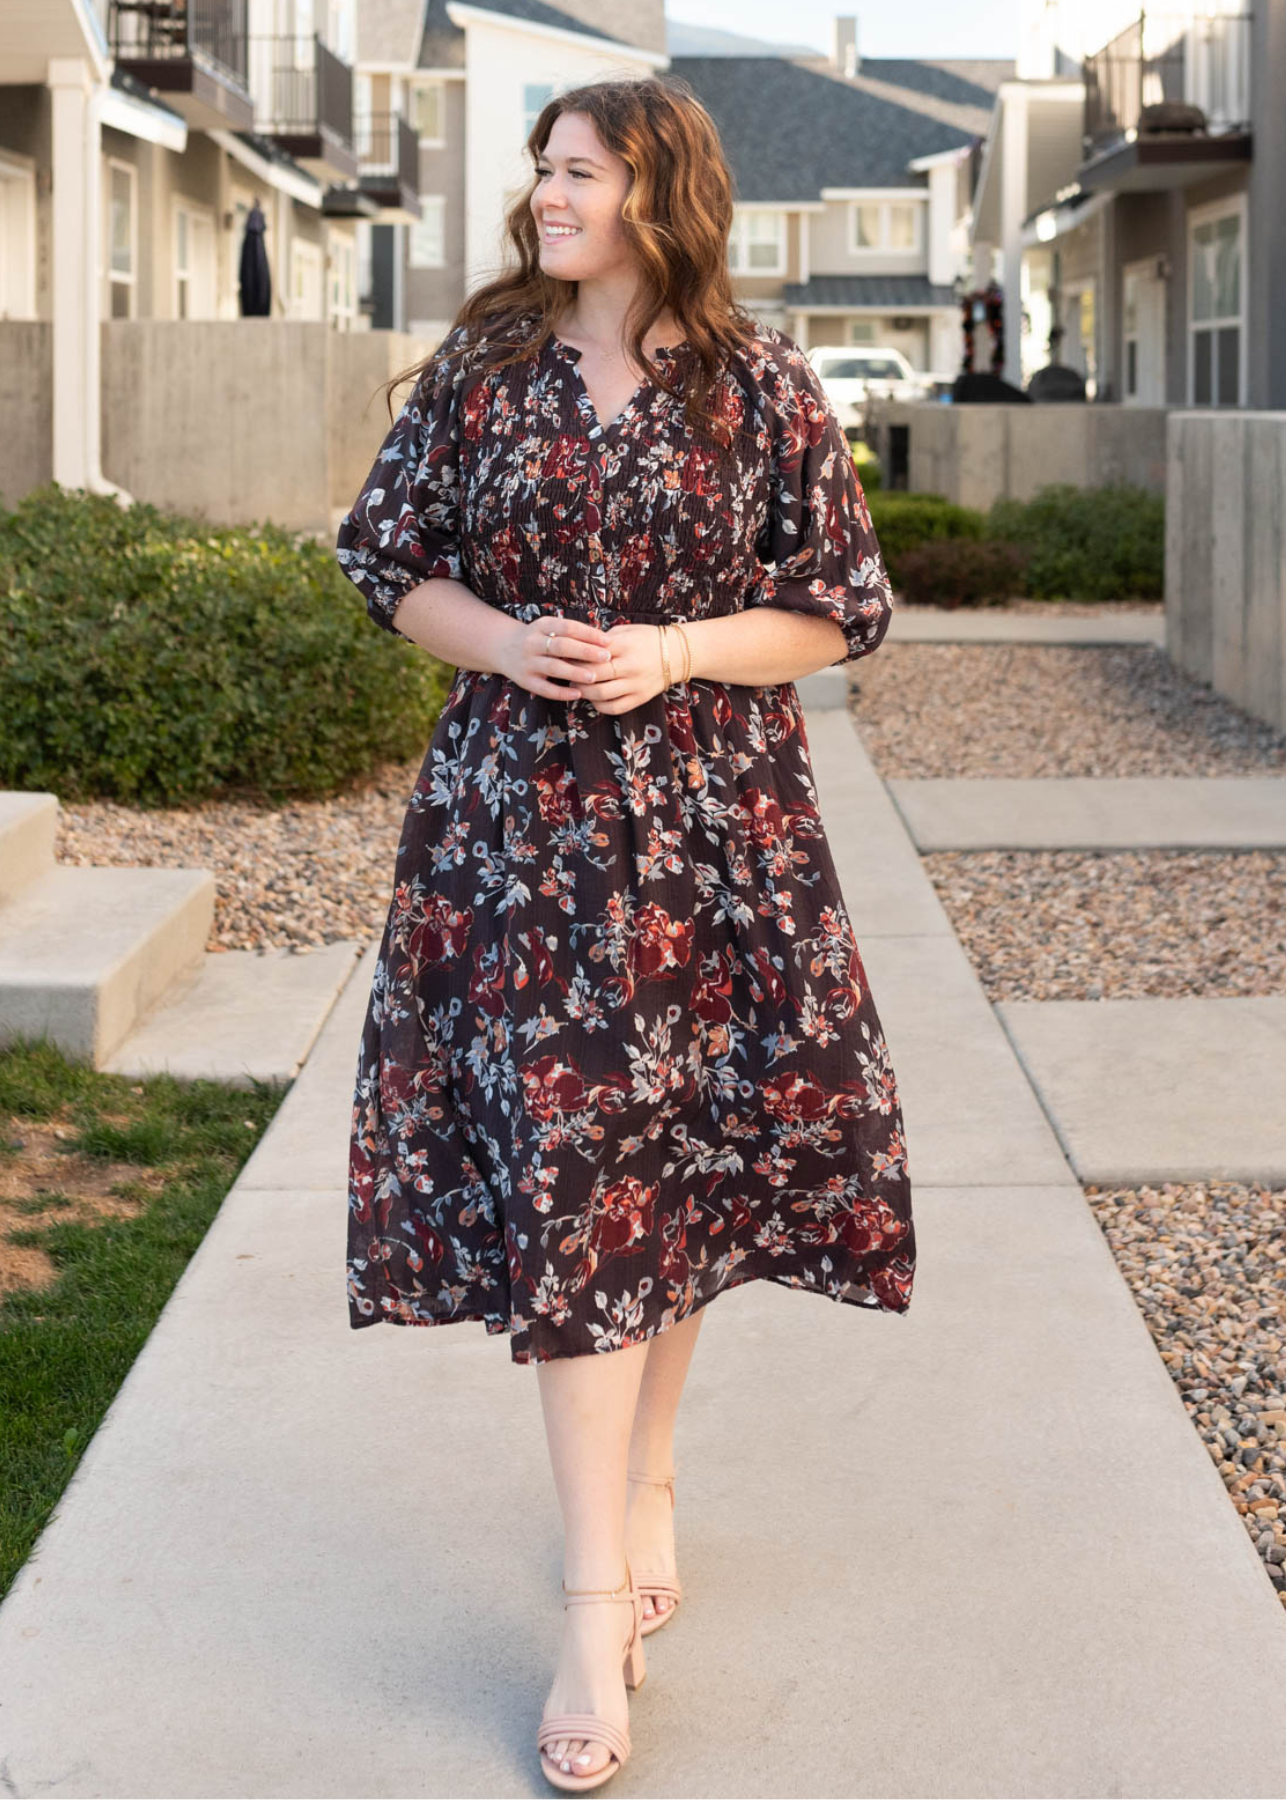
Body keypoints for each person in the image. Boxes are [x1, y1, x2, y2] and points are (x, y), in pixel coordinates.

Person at [335, 73, 916, 1794]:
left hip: (715, 839)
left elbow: (838, 610)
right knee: (580, 1188)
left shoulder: (761, 388)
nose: (542, 198)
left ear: (658, 193)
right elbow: (387, 557)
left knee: (671, 1177)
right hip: (515, 845)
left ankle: (650, 1476)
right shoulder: (483, 372)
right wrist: (505, 642)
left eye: (575, 172)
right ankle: (590, 1616)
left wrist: (673, 651)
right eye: (540, 171)